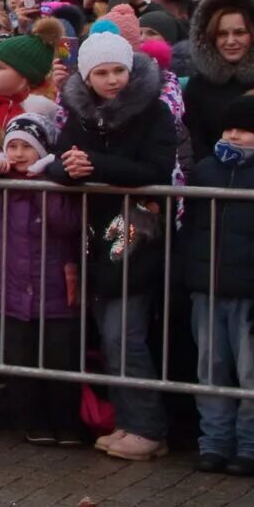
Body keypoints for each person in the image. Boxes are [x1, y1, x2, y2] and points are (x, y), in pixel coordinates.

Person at [53, 29, 181, 461]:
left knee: (126, 335)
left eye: (118, 71)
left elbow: (157, 169)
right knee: (111, 336)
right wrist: (71, 168)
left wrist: (94, 166)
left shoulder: (155, 112)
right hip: (96, 238)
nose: (112, 80)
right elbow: (59, 161)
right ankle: (129, 421)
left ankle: (147, 427)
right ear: (88, 78)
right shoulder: (79, 114)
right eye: (102, 73)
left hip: (138, 236)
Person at [176, 97, 254, 476]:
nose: (233, 134)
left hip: (252, 290)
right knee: (210, 369)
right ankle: (214, 441)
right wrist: (188, 276)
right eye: (229, 127)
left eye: (244, 129)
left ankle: (253, 445)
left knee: (253, 374)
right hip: (209, 286)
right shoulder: (208, 170)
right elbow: (192, 228)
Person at [0, 112, 87, 446]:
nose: (17, 154)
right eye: (11, 147)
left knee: (60, 361)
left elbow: (65, 223)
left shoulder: (54, 185)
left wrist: (47, 179)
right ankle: (32, 421)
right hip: (12, 290)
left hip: (54, 288)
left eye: (25, 147)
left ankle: (67, 423)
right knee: (20, 361)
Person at [182, 0, 254, 151]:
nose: (230, 41)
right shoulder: (197, 87)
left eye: (239, 33)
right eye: (222, 34)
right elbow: (195, 141)